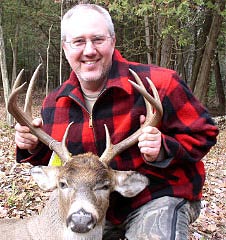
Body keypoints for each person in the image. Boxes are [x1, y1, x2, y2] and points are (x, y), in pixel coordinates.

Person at [14, 3, 218, 240]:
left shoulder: (160, 83)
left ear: (112, 41)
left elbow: (205, 133)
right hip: (92, 202)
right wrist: (32, 145)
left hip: (156, 196)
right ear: (65, 48)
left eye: (98, 39)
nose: (89, 50)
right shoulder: (55, 102)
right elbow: (61, 163)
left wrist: (164, 147)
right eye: (78, 42)